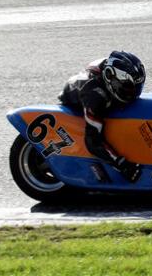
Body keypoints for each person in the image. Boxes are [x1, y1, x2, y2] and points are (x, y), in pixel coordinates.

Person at [58, 50, 145, 182]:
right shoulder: (96, 97)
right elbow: (92, 142)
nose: (134, 93)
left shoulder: (113, 71)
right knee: (95, 134)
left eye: (137, 87)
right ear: (111, 78)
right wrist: (122, 165)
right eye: (128, 87)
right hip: (80, 103)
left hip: (99, 83)